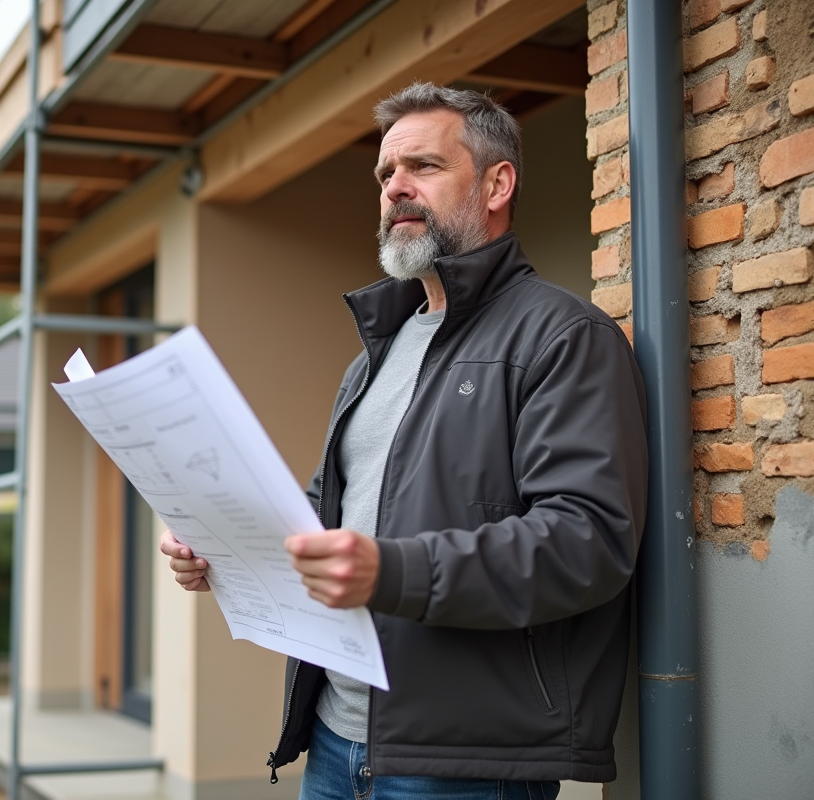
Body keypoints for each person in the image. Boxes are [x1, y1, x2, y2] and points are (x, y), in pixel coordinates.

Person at [160, 83, 648, 800]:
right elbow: (328, 513)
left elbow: (587, 541)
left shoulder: (564, 338)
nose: (395, 189)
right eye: (386, 175)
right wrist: (222, 549)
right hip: (332, 737)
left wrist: (393, 572)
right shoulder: (375, 356)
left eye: (422, 166)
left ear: (497, 183)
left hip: (466, 762)